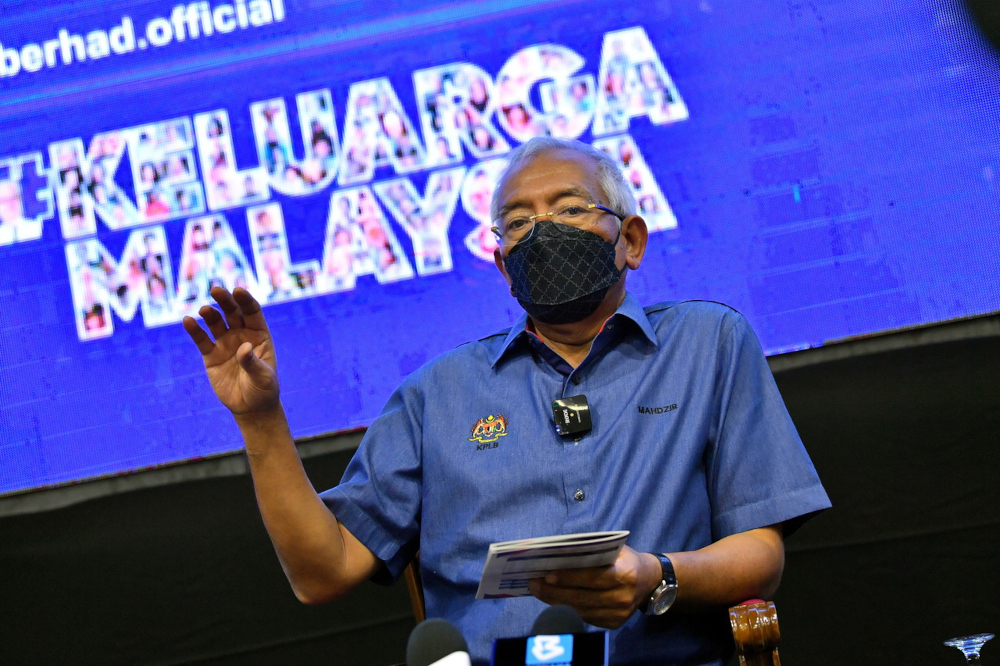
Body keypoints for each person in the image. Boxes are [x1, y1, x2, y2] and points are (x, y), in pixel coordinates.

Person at [182, 137, 830, 665]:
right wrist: (260, 418)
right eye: (519, 222)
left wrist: (652, 576)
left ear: (630, 239)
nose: (543, 229)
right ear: (501, 264)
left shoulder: (707, 343)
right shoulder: (436, 395)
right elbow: (321, 573)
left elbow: (760, 559)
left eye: (570, 208)